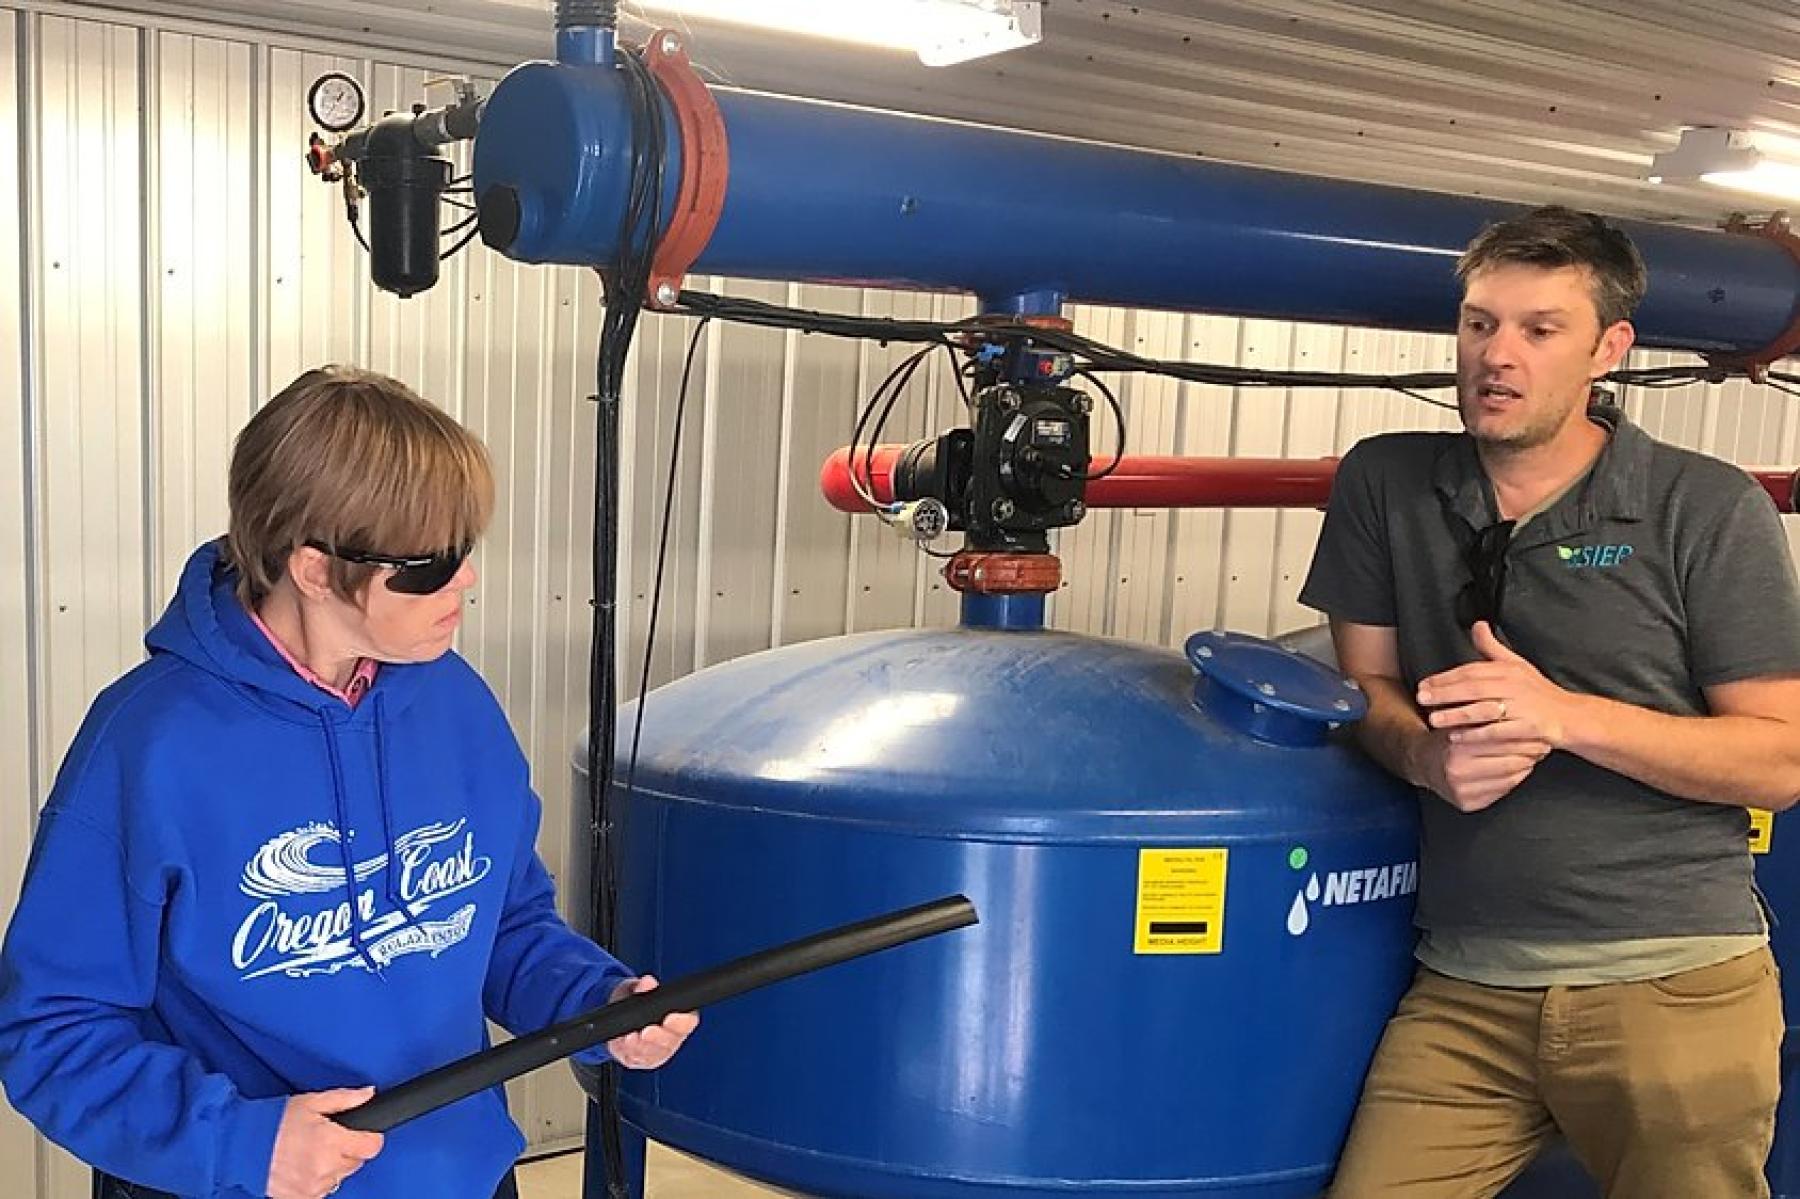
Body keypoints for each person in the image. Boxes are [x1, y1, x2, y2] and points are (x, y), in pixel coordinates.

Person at [0, 367, 698, 1199]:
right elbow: (52, 1031)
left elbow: (502, 925)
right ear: (314, 567)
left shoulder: (456, 703)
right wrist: (243, 1142)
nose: (466, 580)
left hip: (465, 1178)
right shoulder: (147, 747)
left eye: (467, 549)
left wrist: (598, 1001)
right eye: (431, 564)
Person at [1300, 206, 1800, 1198]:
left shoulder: (1702, 505)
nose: (1498, 355)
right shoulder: (1387, 482)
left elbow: (1779, 761)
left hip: (1676, 985)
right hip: (1465, 989)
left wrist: (1563, 714)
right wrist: (1426, 757)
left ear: (1608, 348)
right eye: (1481, 323)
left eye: (1541, 329)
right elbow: (1364, 690)